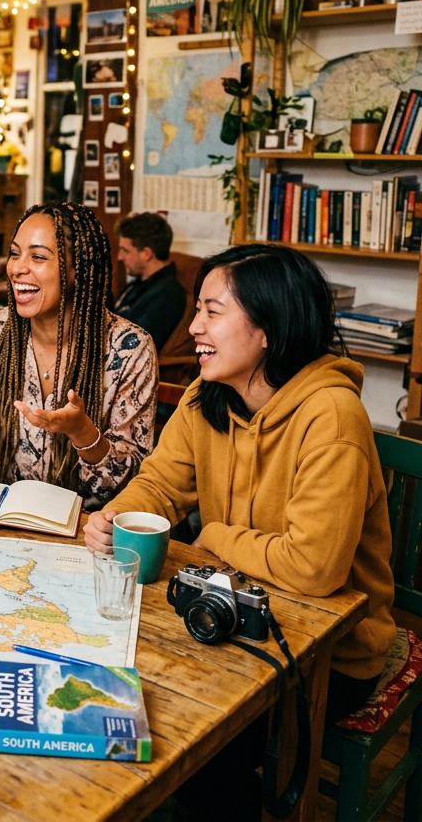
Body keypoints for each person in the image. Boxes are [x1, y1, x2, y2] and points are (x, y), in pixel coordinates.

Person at [83, 243, 396, 822]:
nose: (194, 327)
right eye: (197, 310)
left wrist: (216, 536)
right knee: (121, 706)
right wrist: (115, 518)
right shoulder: (209, 395)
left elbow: (314, 568)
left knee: (194, 745)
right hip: (233, 616)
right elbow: (160, 483)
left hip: (330, 654)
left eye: (212, 311)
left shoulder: (332, 416)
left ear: (268, 329)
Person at [0, 203, 157, 508]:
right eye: (14, 253)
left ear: (80, 270)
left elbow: (133, 484)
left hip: (86, 532)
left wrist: (84, 434)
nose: (17, 268)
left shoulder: (130, 348)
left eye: (38, 256)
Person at [114, 211, 188, 351]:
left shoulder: (168, 293)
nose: (120, 257)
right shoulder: (137, 284)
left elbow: (134, 346)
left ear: (146, 254)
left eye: (125, 251)